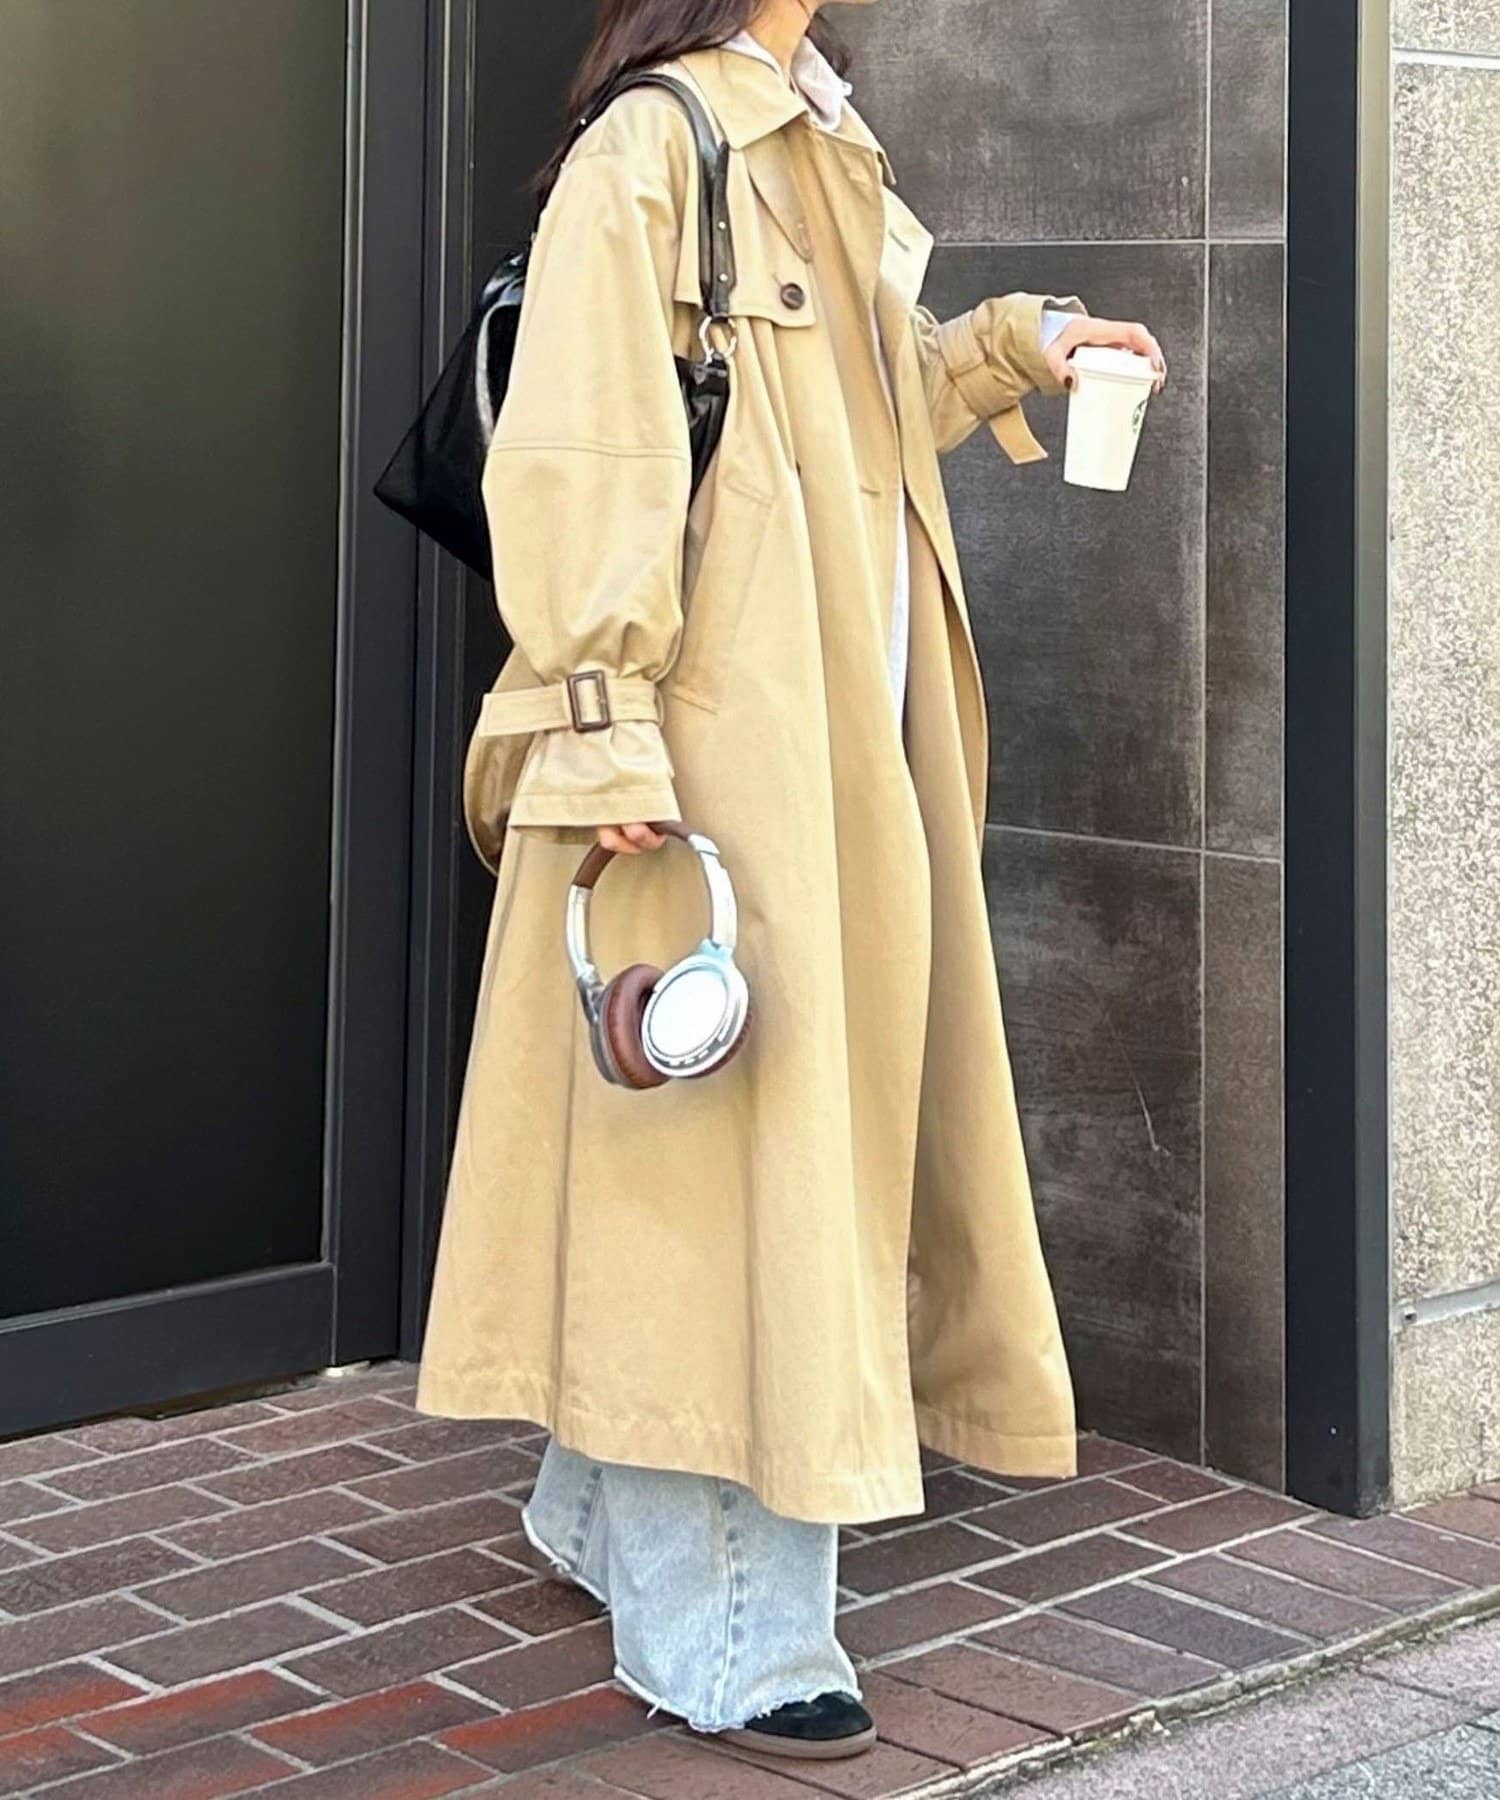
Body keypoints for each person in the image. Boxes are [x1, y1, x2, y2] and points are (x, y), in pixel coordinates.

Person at [416, 0, 1167, 1760]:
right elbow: (585, 452)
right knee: (736, 1176)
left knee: (722, 1164)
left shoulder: (812, 135)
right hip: (720, 752)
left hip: (839, 744)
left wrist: (1021, 346)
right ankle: (740, 1635)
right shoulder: (658, 145)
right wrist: (603, 731)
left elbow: (862, 397)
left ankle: (592, 1509)